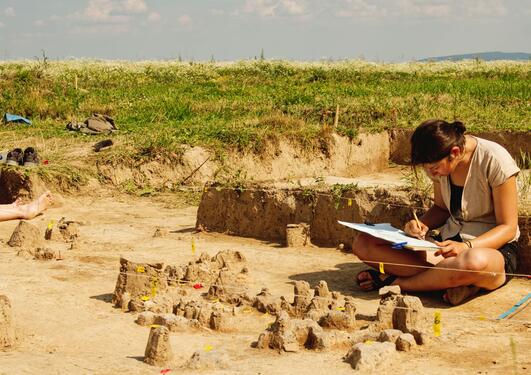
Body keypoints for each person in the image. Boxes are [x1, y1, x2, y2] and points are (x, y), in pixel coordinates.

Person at [352, 119, 520, 305]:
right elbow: (441, 208)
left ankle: (396, 282)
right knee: (364, 243)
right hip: (446, 249)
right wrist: (422, 225)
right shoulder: (441, 164)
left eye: (434, 168)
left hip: (491, 252)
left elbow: (508, 228)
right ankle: (453, 282)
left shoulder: (495, 159)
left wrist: (467, 247)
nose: (432, 174)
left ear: (454, 153)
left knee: (472, 262)